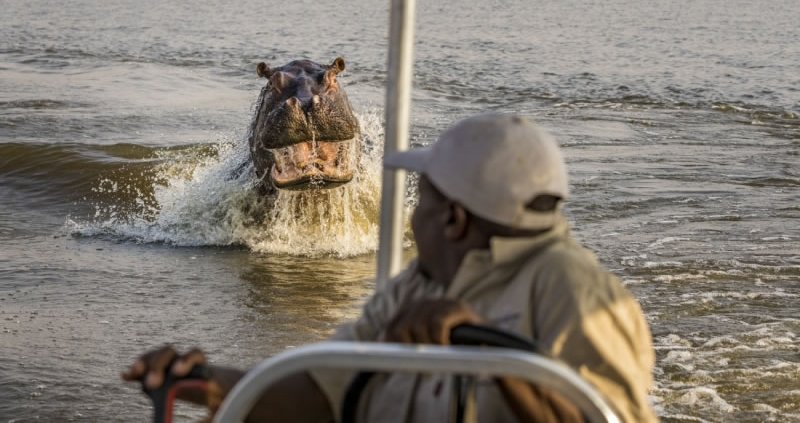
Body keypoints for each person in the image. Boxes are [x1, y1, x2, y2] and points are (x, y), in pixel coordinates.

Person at [123, 112, 658, 423]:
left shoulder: (573, 289)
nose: (410, 214)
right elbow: (321, 392)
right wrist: (208, 383)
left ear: (452, 218)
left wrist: (488, 349)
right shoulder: (419, 286)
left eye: (419, 199)